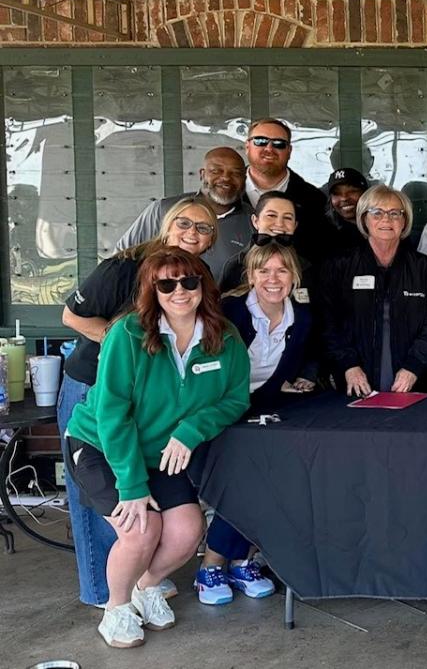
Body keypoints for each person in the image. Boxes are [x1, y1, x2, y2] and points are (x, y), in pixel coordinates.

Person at [65, 247, 250, 648]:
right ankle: (116, 608)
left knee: (187, 531)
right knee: (140, 531)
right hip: (100, 444)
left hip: (161, 454)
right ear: (152, 289)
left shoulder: (225, 337)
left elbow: (235, 399)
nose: (179, 290)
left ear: (203, 284)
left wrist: (191, 428)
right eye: (166, 283)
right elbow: (113, 413)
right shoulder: (127, 334)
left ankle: (145, 588)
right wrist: (132, 486)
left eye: (188, 281)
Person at [58, 197, 218, 609]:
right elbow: (72, 317)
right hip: (90, 386)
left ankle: (139, 582)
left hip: (146, 404)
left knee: (149, 513)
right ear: (166, 224)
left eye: (203, 228)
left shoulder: (196, 280)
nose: (192, 233)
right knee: (102, 506)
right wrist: (120, 346)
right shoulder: (122, 267)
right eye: (185, 223)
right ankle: (103, 596)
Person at [195, 243, 316, 606]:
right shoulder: (228, 311)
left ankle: (238, 559)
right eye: (264, 271)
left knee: (275, 477)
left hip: (263, 408)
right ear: (250, 277)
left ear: (294, 278)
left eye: (282, 271)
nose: (273, 279)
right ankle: (213, 564)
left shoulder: (303, 316)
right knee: (247, 481)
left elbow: (307, 355)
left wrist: (304, 376)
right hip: (217, 411)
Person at [323, 184, 427, 395]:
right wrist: (348, 365)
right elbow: (328, 323)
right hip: (352, 382)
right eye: (377, 213)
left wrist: (413, 367)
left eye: (395, 213)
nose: (386, 219)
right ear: (364, 219)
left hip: (413, 382)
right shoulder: (339, 266)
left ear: (405, 221)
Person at [114, 147, 253, 275]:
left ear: (244, 179)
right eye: (216, 171)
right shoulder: (164, 209)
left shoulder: (254, 221)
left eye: (235, 173)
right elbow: (121, 258)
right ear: (202, 174)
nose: (225, 178)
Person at [243, 118, 329, 259]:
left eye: (279, 144)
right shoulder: (222, 196)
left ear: (289, 150)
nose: (269, 149)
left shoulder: (315, 200)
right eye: (260, 141)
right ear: (247, 146)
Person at [218, 191, 317, 301]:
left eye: (288, 218)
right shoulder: (235, 266)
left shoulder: (306, 267)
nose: (279, 223)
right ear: (255, 221)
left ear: (295, 225)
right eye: (271, 215)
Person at [325, 166, 369, 257]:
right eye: (336, 194)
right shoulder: (325, 234)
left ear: (365, 194)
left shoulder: (383, 225)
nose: (344, 198)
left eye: (352, 191)